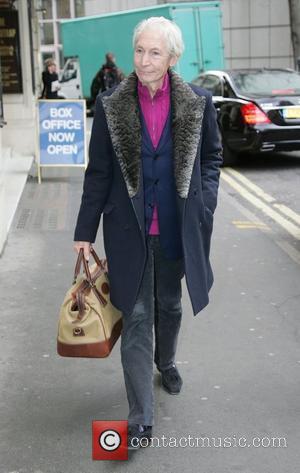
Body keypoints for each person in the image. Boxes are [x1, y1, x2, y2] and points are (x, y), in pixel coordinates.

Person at [73, 16, 222, 450]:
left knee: (170, 305)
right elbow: (98, 173)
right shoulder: (109, 104)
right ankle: (140, 418)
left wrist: (204, 202)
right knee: (136, 317)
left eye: (154, 52)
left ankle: (168, 360)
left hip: (176, 231)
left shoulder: (198, 103)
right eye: (139, 50)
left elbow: (212, 159)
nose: (144, 60)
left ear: (172, 58)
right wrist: (84, 231)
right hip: (128, 232)